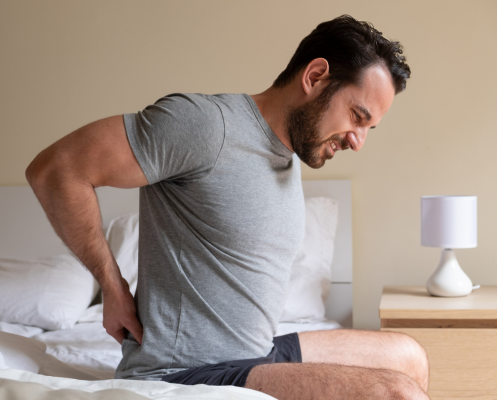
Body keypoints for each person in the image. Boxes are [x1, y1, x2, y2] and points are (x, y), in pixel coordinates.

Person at [27, 14, 429, 400]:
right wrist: (112, 286)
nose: (358, 141)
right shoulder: (205, 125)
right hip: (184, 373)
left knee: (407, 357)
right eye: (357, 117)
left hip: (254, 355)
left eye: (368, 128)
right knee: (396, 395)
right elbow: (55, 170)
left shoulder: (288, 153)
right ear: (315, 77)